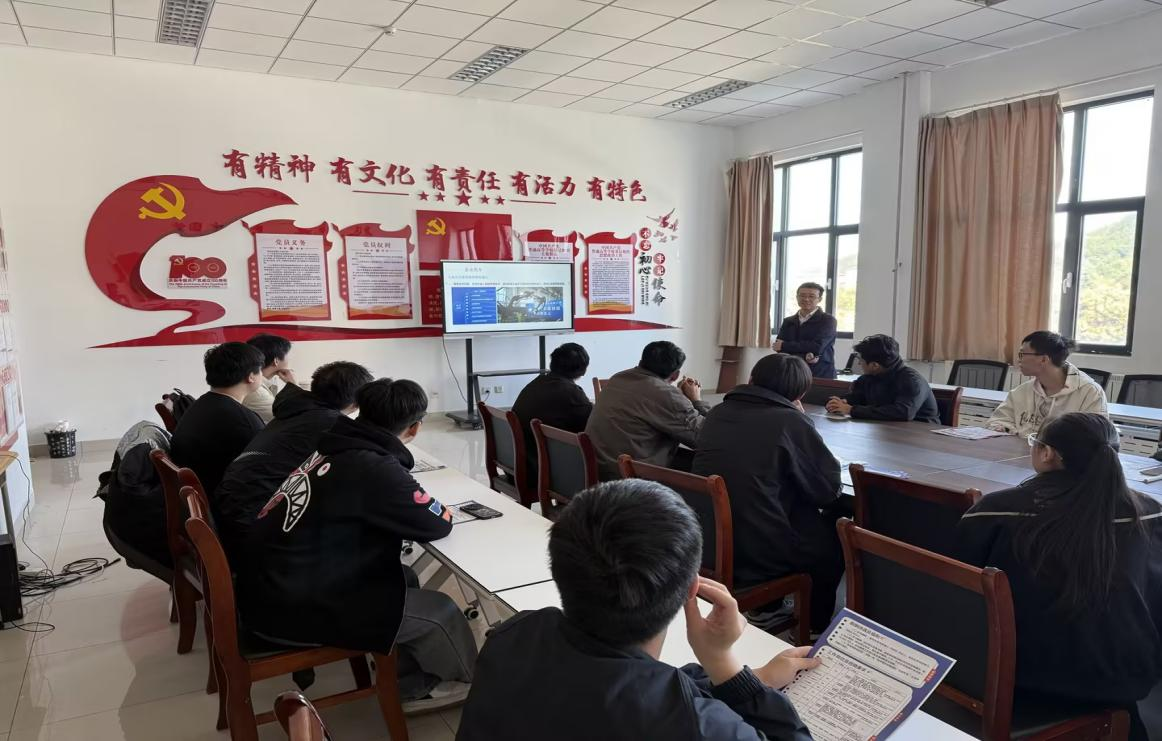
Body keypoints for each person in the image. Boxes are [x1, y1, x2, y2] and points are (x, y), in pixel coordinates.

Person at [457, 480, 816, 741]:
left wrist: (751, 680)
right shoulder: (699, 728)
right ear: (692, 590)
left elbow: (626, 682)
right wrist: (722, 663)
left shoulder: (515, 634)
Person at [240, 379, 477, 708]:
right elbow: (436, 523)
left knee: (404, 576)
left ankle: (404, 675)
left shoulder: (332, 447)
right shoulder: (372, 465)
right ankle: (464, 683)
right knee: (441, 611)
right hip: (292, 607)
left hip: (270, 586)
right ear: (415, 427)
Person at [955, 413, 1162, 740]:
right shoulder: (1148, 512)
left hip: (1019, 678)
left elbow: (956, 591)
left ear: (1048, 453)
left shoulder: (996, 510)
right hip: (1121, 677)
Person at [693, 354, 844, 631]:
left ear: (752, 378)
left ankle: (769, 607)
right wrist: (802, 419)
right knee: (833, 543)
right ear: (800, 394)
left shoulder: (718, 412)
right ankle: (812, 627)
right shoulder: (789, 421)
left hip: (707, 539)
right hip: (758, 552)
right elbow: (828, 489)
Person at [213, 361, 373, 564]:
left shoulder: (295, 410)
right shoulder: (331, 425)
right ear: (357, 402)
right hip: (252, 529)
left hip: (230, 510)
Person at [585, 341, 709, 479]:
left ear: (641, 362)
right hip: (630, 478)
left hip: (599, 468)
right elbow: (707, 438)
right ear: (675, 375)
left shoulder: (618, 378)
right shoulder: (666, 395)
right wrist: (696, 400)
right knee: (710, 463)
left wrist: (679, 398)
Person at [169, 342, 265, 494]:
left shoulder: (202, 403)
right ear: (251, 377)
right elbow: (264, 468)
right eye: (260, 370)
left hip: (195, 491)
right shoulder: (243, 421)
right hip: (223, 499)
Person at [986, 331, 1107, 437]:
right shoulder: (1021, 392)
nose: (1018, 359)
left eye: (1022, 354)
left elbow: (1096, 437)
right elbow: (998, 420)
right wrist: (1003, 428)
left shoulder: (1090, 393)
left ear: (1043, 359)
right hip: (1023, 453)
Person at [511, 342, 594, 484]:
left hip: (520, 463)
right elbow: (592, 426)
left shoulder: (538, 382)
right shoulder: (571, 392)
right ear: (583, 369)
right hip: (541, 469)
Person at [825, 334, 939, 423]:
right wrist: (840, 402)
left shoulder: (912, 380)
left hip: (922, 434)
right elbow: (858, 397)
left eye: (861, 360)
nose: (859, 364)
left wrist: (851, 410)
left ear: (875, 365)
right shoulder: (869, 377)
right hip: (887, 430)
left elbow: (903, 412)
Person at [772, 282, 838, 379]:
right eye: (802, 295)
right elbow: (778, 347)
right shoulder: (788, 321)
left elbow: (817, 347)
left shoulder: (828, 320)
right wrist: (806, 353)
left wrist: (786, 345)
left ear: (819, 299)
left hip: (820, 372)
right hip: (792, 371)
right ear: (797, 297)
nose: (806, 299)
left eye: (811, 296)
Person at [243, 333, 294, 422]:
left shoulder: (266, 380)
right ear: (276, 361)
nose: (289, 358)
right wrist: (293, 385)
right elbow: (293, 416)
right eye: (287, 354)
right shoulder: (256, 391)